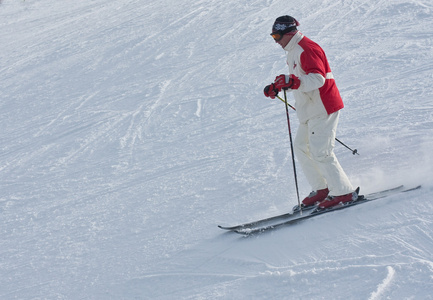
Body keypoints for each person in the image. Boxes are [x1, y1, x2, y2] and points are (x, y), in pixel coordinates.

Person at [263, 15, 357, 209]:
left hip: (323, 106)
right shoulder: (293, 51)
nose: (276, 41)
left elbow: (317, 79)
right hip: (310, 109)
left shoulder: (306, 48)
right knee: (301, 147)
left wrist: (292, 82)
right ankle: (322, 188)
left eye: (277, 36)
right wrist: (280, 86)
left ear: (288, 33)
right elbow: (300, 81)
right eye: (273, 37)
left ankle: (343, 192)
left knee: (321, 152)